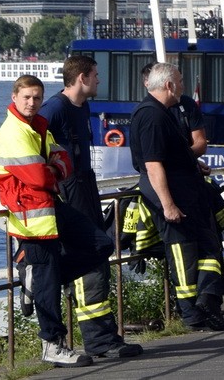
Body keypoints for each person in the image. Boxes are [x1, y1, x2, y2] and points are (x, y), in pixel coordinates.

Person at [0, 75, 114, 368]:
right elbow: (40, 176)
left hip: (49, 206)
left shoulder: (38, 127)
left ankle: (37, 280)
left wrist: (53, 168)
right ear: (14, 97)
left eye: (37, 97)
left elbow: (64, 161)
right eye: (27, 97)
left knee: (101, 244)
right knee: (47, 277)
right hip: (29, 216)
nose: (32, 102)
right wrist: (53, 169)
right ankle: (52, 344)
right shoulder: (14, 132)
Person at [39, 55, 143, 359]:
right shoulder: (54, 110)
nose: (99, 80)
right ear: (82, 77)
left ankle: (104, 335)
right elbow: (35, 148)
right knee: (90, 261)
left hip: (85, 184)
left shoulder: (82, 107)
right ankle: (99, 340)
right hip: (70, 191)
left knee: (99, 253)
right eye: (96, 75)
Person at [129, 62, 224, 330]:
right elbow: (153, 164)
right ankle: (193, 314)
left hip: (188, 193)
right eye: (181, 81)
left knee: (208, 246)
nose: (183, 86)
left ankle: (206, 303)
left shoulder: (161, 112)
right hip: (173, 197)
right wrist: (168, 205)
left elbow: (171, 154)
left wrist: (191, 163)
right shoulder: (151, 116)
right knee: (183, 256)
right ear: (169, 85)